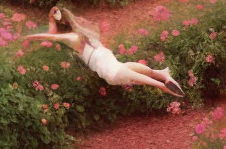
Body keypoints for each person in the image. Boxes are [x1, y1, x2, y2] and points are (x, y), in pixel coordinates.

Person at [24, 5, 184, 98]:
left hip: (113, 72)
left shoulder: (73, 38)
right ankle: (162, 75)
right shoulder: (88, 33)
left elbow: (50, 36)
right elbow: (56, 30)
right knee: (136, 70)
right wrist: (54, 18)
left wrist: (30, 36)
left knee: (130, 74)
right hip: (114, 63)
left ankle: (161, 82)